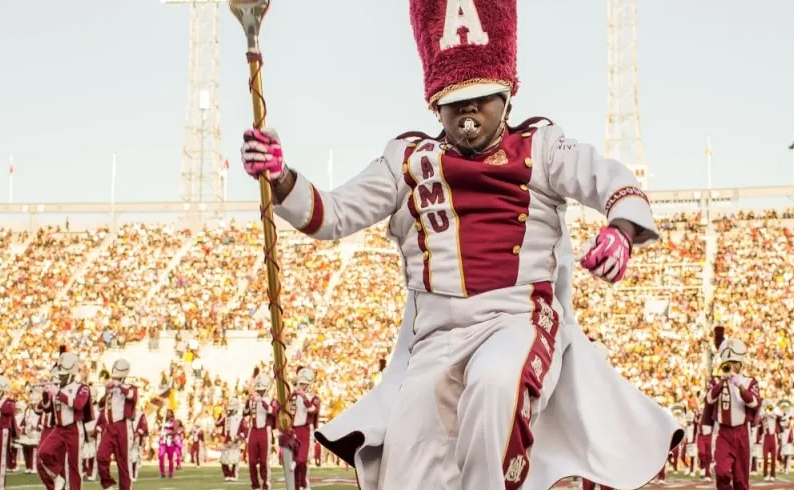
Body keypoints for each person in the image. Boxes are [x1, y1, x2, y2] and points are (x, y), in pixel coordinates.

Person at [245, 2, 681, 489]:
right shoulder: (407, 160)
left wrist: (620, 231)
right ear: (435, 102)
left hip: (517, 317)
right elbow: (331, 213)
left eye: (482, 97)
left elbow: (611, 181)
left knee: (495, 386)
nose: (468, 110)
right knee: (406, 466)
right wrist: (280, 177)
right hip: (433, 337)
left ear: (507, 95)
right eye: (455, 99)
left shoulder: (541, 147)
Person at [704, 327, 762, 490]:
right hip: (723, 432)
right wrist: (723, 382)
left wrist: (740, 386)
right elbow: (709, 399)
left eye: (734, 363)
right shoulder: (716, 381)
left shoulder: (750, 382)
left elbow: (754, 403)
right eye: (727, 363)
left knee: (741, 480)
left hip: (742, 433)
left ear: (740, 364)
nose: (730, 366)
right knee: (721, 472)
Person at [36, 348, 92, 490]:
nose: (59, 377)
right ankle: (57, 476)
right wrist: (45, 394)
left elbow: (78, 405)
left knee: (74, 467)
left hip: (74, 428)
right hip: (59, 429)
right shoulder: (58, 388)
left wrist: (58, 393)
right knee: (44, 452)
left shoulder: (82, 388)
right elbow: (47, 409)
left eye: (62, 375)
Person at [97, 359, 138, 490]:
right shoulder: (111, 389)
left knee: (124, 465)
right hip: (109, 427)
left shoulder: (131, 386)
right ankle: (108, 484)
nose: (113, 378)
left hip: (123, 427)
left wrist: (119, 386)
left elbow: (132, 396)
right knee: (101, 456)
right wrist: (106, 391)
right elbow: (100, 406)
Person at [240, 373, 277, 490]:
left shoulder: (271, 400)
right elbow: (245, 413)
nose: (259, 391)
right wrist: (248, 400)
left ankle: (266, 484)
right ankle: (255, 485)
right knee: (251, 461)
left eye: (261, 389)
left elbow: (274, 411)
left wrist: (262, 401)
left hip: (265, 431)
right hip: (253, 430)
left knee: (264, 461)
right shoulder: (253, 400)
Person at [288, 367, 321, 490]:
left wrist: (304, 398)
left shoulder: (314, 397)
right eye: (299, 383)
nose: (300, 386)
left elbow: (313, 410)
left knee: (302, 460)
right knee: (295, 460)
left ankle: (304, 484)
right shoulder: (293, 396)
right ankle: (298, 486)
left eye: (303, 384)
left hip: (306, 429)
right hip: (294, 429)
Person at [217, 399, 244, 482]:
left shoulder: (240, 417)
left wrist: (238, 437)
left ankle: (233, 474)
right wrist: (222, 416)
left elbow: (243, 429)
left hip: (235, 440)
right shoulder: (225, 417)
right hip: (226, 440)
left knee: (235, 459)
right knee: (223, 459)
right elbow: (217, 424)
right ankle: (227, 474)